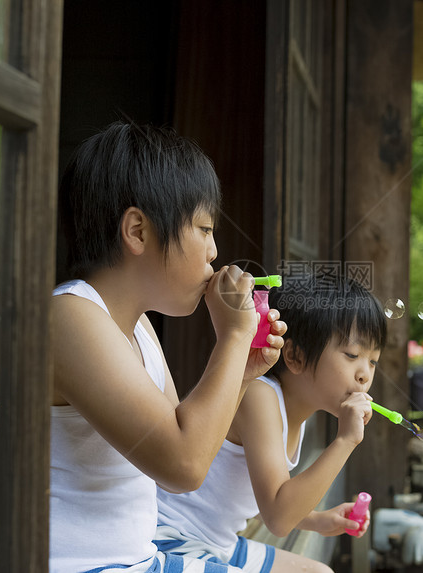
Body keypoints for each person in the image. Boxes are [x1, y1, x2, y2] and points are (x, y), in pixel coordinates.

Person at [50, 121, 286, 573]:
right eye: (204, 229)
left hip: (137, 559)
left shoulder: (137, 327)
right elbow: (184, 466)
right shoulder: (70, 317)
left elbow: (186, 442)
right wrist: (233, 337)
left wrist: (242, 371)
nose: (214, 252)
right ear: (137, 231)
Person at [156, 273, 388, 573]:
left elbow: (266, 500)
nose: (364, 375)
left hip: (218, 543)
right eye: (353, 355)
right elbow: (279, 516)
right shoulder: (259, 396)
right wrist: (345, 441)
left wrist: (319, 520)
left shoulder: (296, 412)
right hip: (171, 538)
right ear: (295, 356)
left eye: (373, 361)